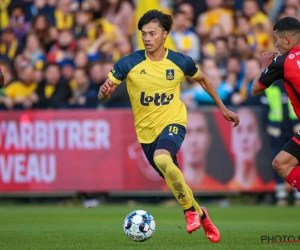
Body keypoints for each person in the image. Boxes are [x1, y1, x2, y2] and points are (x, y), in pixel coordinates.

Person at [99, 10, 240, 242]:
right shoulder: (129, 63)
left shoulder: (179, 61)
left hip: (174, 121)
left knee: (163, 159)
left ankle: (188, 212)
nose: (147, 38)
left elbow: (204, 79)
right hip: (146, 134)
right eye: (143, 34)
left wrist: (223, 108)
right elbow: (103, 94)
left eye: (152, 33)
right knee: (176, 181)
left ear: (164, 34)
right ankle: (201, 214)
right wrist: (104, 91)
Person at [252, 17, 300, 193]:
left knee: (282, 164)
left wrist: (265, 66)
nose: (276, 44)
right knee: (282, 163)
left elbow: (256, 88)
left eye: (276, 39)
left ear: (286, 39)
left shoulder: (283, 61)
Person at [229, 107, 274, 191]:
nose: (244, 138)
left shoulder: (269, 185)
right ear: (231, 141)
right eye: (239, 130)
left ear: (259, 141)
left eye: (250, 130)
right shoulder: (226, 188)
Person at [181, 110, 224, 189]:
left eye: (199, 131)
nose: (193, 140)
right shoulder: (168, 189)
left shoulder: (217, 189)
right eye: (187, 132)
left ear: (208, 139)